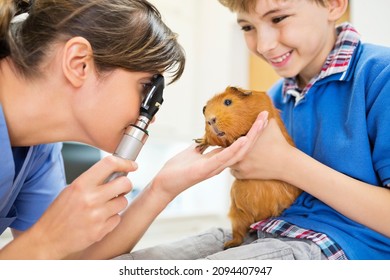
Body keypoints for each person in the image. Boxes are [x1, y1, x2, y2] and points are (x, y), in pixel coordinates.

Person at [121, 0, 390, 260]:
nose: (263, 45)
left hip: (347, 247)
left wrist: (287, 164)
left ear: (333, 4)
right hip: (267, 231)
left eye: (278, 18)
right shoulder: (273, 98)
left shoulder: (380, 75)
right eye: (247, 27)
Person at [0, 0, 268, 259]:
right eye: (144, 88)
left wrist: (161, 189)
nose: (148, 119)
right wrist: (48, 238)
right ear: (78, 63)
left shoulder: (38, 152)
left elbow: (65, 263)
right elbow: (44, 249)